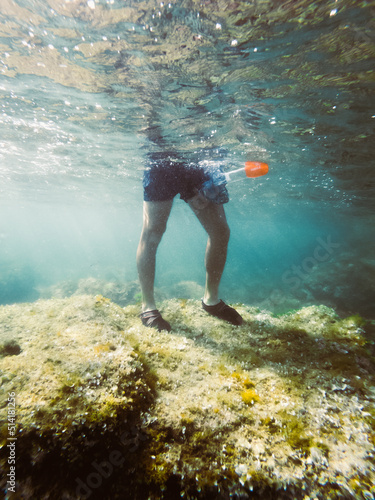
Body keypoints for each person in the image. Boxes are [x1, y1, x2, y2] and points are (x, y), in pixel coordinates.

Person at [136, 152, 243, 331]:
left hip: (200, 161)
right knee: (153, 232)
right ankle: (148, 307)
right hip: (161, 159)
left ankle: (211, 301)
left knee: (220, 231)